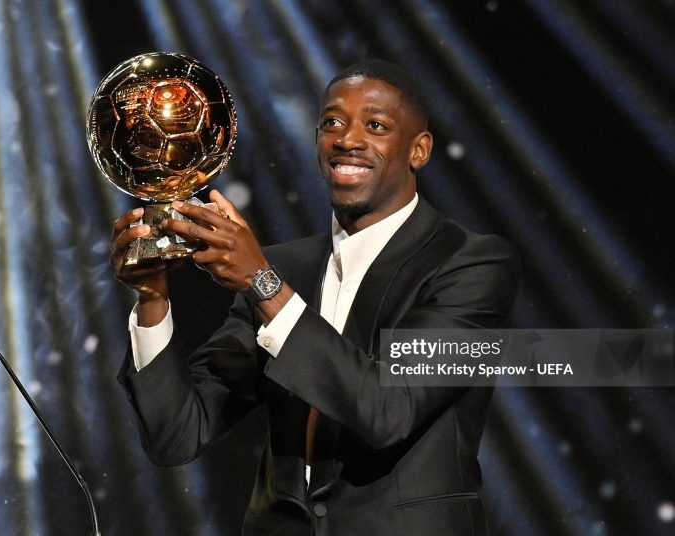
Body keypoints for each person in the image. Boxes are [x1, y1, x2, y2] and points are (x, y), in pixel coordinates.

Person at [111, 60, 520, 535]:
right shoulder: (287, 269)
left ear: (419, 150)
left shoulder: (470, 264)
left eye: (376, 125)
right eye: (332, 122)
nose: (347, 139)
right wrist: (152, 299)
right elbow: (177, 435)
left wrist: (262, 282)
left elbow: (387, 410)